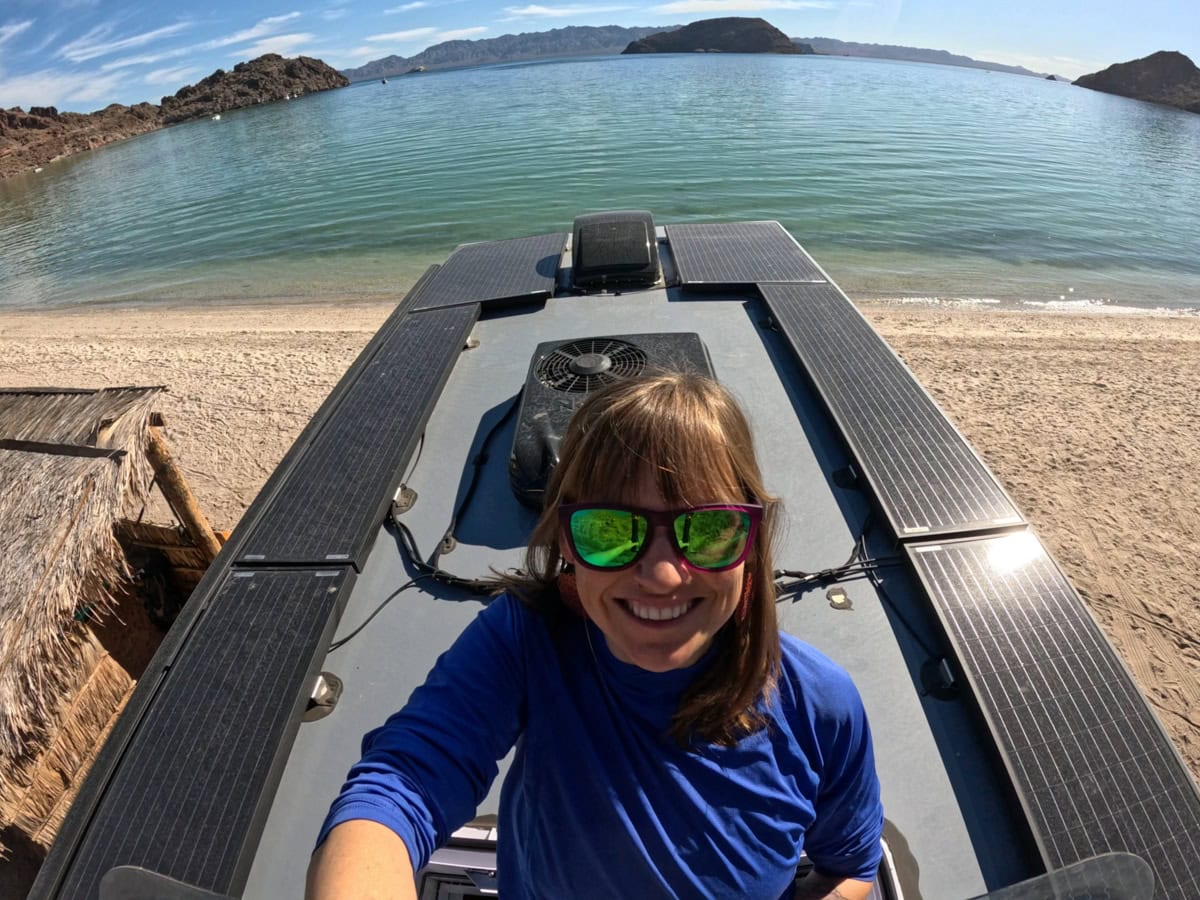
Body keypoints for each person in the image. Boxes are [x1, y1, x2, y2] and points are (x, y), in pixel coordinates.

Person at [307, 372, 884, 899]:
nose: (662, 576)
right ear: (567, 541)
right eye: (611, 531)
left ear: (749, 542)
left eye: (708, 529)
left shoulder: (819, 704)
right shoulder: (526, 641)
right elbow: (404, 782)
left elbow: (850, 867)